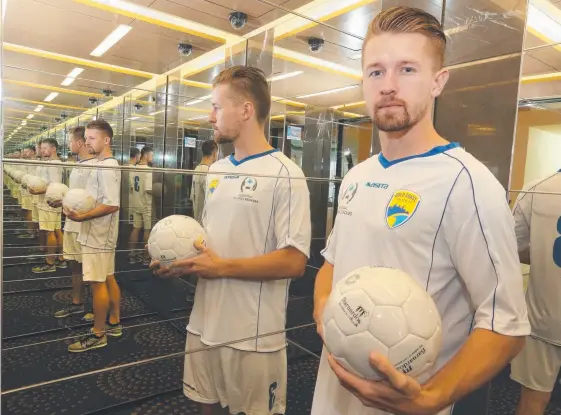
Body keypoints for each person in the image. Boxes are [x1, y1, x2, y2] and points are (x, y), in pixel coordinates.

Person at [311, 7, 530, 415]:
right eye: (376, 71)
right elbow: (332, 264)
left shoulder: (468, 184)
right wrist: (326, 313)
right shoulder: (358, 176)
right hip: (331, 395)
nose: (389, 85)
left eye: (407, 69)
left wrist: (431, 397)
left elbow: (507, 324)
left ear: (437, 82)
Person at [152, 66, 311, 415]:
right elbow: (209, 244)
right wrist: (180, 262)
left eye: (216, 107)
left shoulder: (286, 174)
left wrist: (221, 268)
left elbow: (294, 261)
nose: (210, 117)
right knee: (206, 407)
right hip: (204, 321)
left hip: (253, 335)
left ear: (246, 110)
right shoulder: (218, 170)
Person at [65, 119, 122, 352]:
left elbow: (111, 204)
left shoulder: (108, 166)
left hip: (99, 234)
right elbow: (95, 199)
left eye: (91, 138)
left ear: (105, 140)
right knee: (107, 276)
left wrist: (82, 217)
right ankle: (114, 323)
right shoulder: (100, 164)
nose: (86, 141)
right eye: (86, 137)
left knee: (98, 282)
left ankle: (99, 334)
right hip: (96, 232)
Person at [511, 173, 561, 415]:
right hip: (542, 322)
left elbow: (511, 247)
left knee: (533, 403)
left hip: (544, 320)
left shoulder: (538, 188)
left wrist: (541, 256)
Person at [54, 126, 97, 320]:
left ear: (80, 143)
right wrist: (61, 200)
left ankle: (95, 308)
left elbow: (92, 201)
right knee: (75, 265)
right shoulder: (77, 165)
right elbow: (75, 196)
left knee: (90, 269)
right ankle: (77, 302)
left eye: (71, 141)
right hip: (71, 223)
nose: (70, 144)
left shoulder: (95, 167)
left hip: (85, 226)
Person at [30, 138, 65, 273]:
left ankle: (50, 263)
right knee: (56, 230)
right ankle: (61, 258)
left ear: (53, 149)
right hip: (46, 201)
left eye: (45, 148)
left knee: (50, 231)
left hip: (49, 202)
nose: (42, 150)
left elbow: (54, 185)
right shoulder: (49, 162)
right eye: (42, 148)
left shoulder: (54, 164)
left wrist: (38, 191)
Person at [128, 145, 153, 265]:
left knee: (136, 228)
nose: (152, 157)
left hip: (136, 202)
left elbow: (132, 187)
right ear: (146, 156)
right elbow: (148, 189)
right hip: (145, 204)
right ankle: (146, 257)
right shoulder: (148, 170)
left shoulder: (134, 168)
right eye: (151, 155)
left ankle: (132, 254)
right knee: (147, 230)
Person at [190, 140, 218, 224]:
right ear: (214, 154)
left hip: (196, 217)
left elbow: (192, 196)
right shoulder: (207, 172)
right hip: (204, 220)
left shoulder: (197, 169)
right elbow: (212, 198)